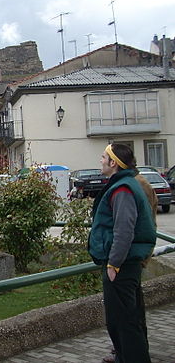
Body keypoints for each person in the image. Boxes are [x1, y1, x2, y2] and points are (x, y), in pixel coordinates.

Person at [88, 143, 156, 363]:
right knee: (125, 319)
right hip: (125, 263)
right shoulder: (124, 184)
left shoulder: (123, 189)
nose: (100, 160)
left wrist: (114, 264)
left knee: (123, 321)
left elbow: (124, 230)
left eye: (103, 157)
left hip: (122, 266)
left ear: (113, 163)